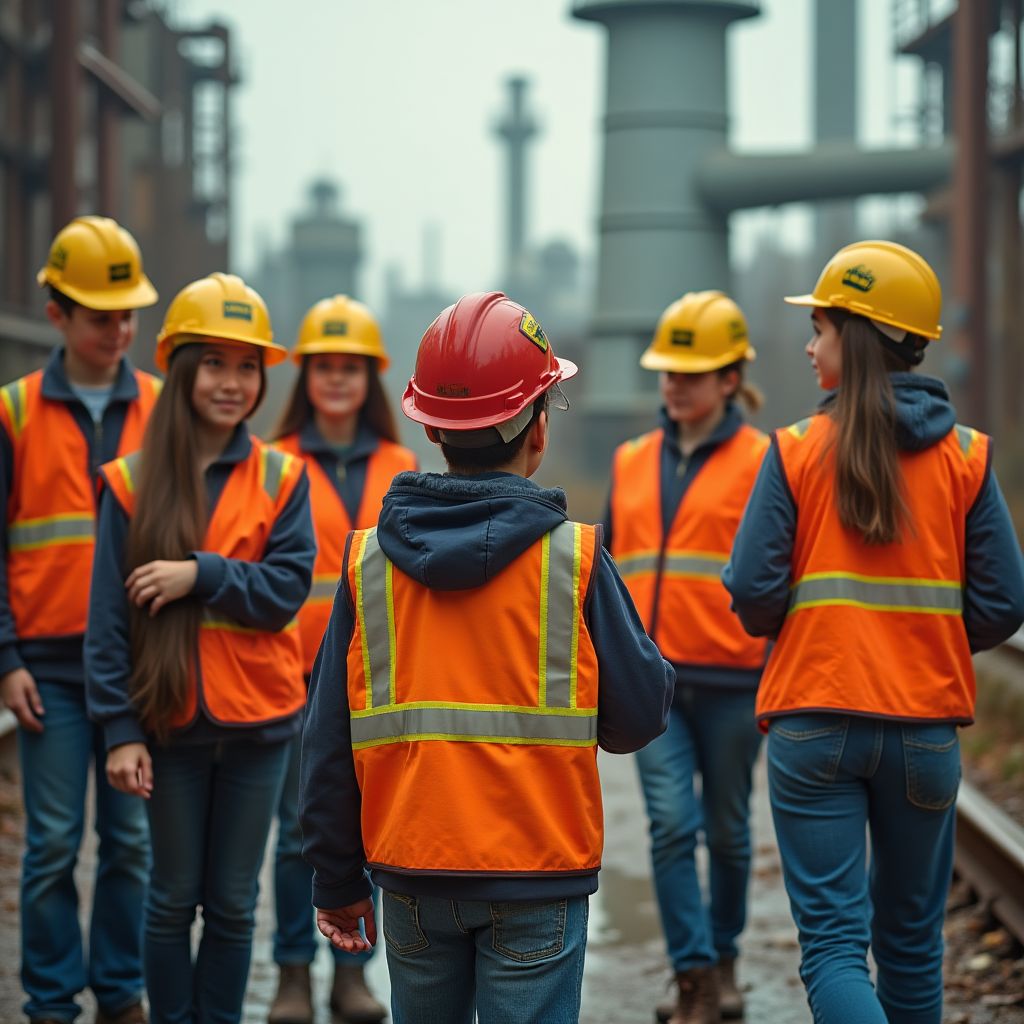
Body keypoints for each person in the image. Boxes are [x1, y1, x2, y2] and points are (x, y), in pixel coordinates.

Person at [298, 291, 675, 1024]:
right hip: (537, 878)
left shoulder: (367, 564)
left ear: (432, 425)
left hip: (411, 878)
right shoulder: (574, 560)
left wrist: (336, 879)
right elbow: (635, 721)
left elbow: (327, 741)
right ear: (536, 426)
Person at [723, 240, 1024, 1024]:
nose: (808, 345)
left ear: (853, 337)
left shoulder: (793, 450)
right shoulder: (966, 455)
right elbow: (1004, 600)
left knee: (831, 947)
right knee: (915, 947)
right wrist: (929, 644)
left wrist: (798, 627)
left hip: (813, 724)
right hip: (924, 730)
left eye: (818, 328)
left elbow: (753, 591)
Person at [84, 273, 316, 1024]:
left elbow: (284, 591)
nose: (232, 382)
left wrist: (200, 574)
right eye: (214, 362)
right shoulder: (128, 483)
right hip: (170, 722)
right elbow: (107, 622)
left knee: (233, 904)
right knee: (170, 898)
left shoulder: (284, 477)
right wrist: (119, 731)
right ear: (182, 368)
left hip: (259, 727)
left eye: (247, 366)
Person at [0, 216, 159, 1024]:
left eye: (128, 314)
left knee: (132, 844)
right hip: (49, 674)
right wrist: (6, 659)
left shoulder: (164, 411)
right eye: (102, 316)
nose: (120, 330)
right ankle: (53, 1003)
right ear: (58, 314)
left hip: (136, 672)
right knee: (54, 844)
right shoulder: (13, 414)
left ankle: (122, 992)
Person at [604, 291, 768, 1024]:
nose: (673, 383)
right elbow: (607, 571)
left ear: (729, 379)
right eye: (668, 370)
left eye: (691, 372)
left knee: (729, 829)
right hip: (654, 685)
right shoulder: (631, 459)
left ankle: (725, 954)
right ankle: (696, 978)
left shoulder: (768, 460)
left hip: (736, 680)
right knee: (672, 825)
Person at [268, 295, 416, 1024]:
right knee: (300, 834)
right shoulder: (276, 462)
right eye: (323, 367)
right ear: (306, 376)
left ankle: (352, 974)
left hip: (376, 679)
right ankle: (293, 972)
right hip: (291, 676)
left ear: (369, 379)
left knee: (371, 833)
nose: (335, 379)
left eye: (349, 368)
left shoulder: (401, 464)